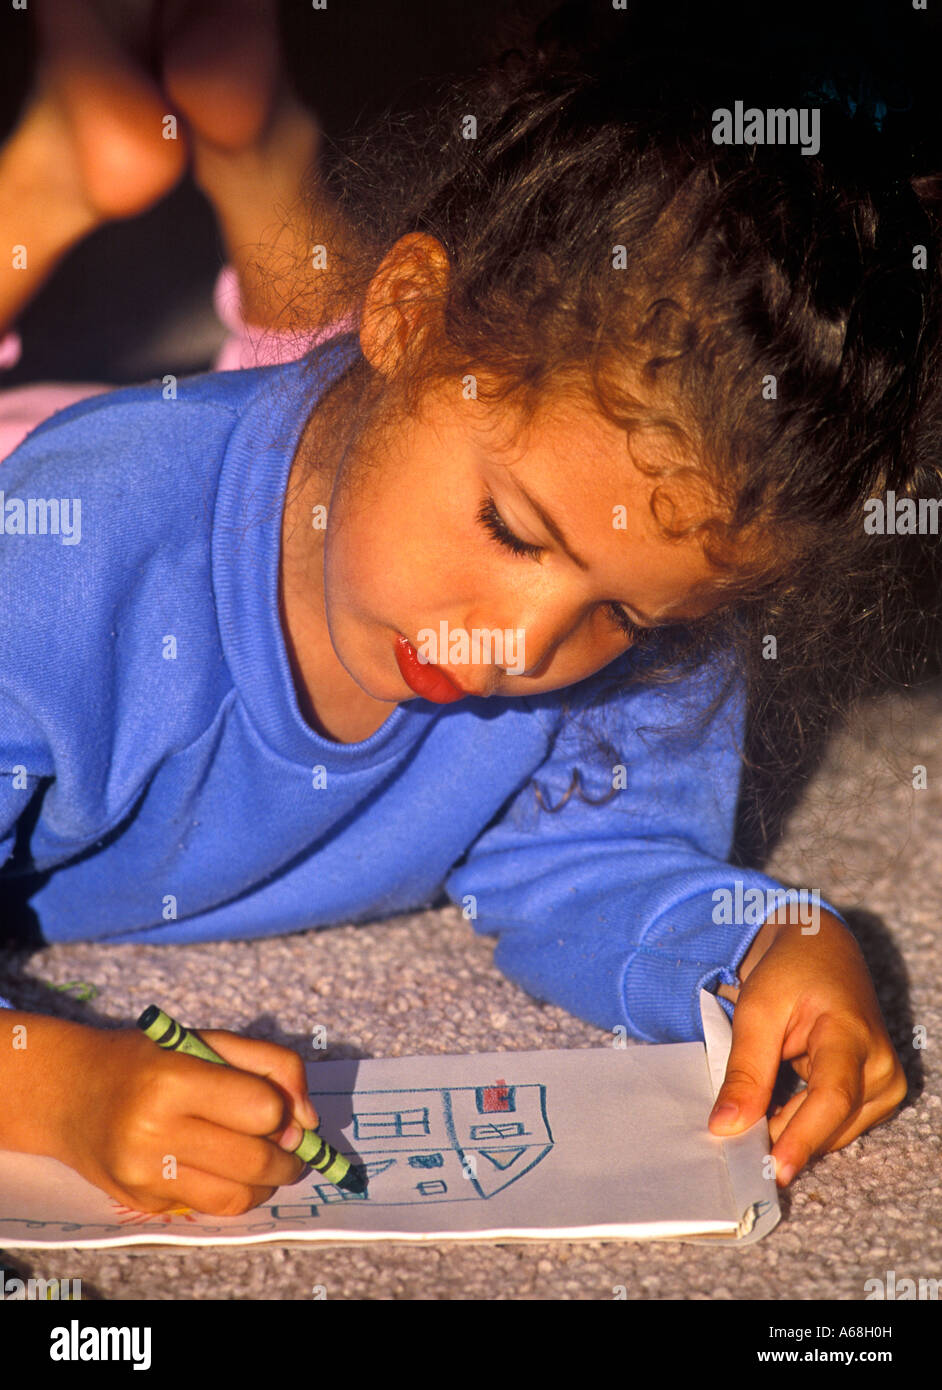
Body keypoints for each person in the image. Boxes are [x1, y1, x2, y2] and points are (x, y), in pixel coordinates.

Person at [0, 0, 936, 1217]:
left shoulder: (645, 564)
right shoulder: (74, 560)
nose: (527, 646)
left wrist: (762, 942)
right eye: (511, 531)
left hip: (300, 426)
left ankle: (239, 159)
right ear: (405, 319)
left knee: (332, 412)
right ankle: (105, 161)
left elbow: (597, 861)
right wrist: (47, 1088)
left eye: (627, 618)